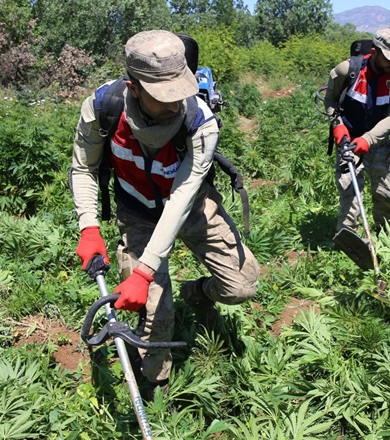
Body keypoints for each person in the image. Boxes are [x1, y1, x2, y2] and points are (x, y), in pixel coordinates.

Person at [69, 30, 259, 399]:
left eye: (180, 90)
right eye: (163, 95)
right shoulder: (103, 107)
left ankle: (197, 293)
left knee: (242, 286)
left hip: (193, 207)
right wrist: (89, 227)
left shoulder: (200, 121)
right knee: (154, 309)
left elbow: (182, 199)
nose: (175, 103)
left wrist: (143, 271)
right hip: (137, 210)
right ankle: (156, 385)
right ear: (134, 87)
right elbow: (83, 168)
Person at [323, 28, 390, 236]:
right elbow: (330, 100)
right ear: (373, 51)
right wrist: (338, 126)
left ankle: (385, 237)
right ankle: (348, 240)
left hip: (380, 143)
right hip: (349, 142)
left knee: (386, 193)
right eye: (388, 58)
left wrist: (369, 139)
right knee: (350, 195)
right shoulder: (347, 70)